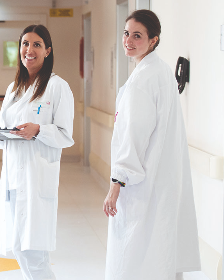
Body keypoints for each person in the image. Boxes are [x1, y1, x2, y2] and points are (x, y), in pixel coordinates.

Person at [103, 10, 200, 280]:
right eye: (126, 34)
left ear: (153, 40)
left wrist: (115, 185)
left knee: (135, 257)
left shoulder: (143, 81)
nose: (129, 41)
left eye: (138, 36)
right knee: (161, 254)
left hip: (142, 186)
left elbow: (133, 138)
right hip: (162, 183)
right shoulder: (160, 71)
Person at [0, 25, 74, 280]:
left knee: (33, 253)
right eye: (25, 44)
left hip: (37, 178)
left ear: (47, 51)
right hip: (13, 176)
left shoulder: (57, 87)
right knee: (21, 248)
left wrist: (38, 130)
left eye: (36, 45)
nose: (29, 50)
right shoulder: (14, 88)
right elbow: (6, 136)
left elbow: (66, 135)